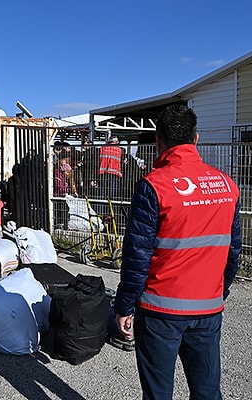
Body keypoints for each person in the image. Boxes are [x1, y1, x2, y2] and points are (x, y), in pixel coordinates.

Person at [114, 105, 242, 400]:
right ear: (195, 139)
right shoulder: (227, 185)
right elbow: (233, 250)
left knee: (158, 393)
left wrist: (124, 306)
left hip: (160, 311)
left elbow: (138, 255)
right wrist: (219, 291)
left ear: (158, 141)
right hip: (208, 308)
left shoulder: (153, 186)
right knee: (208, 391)